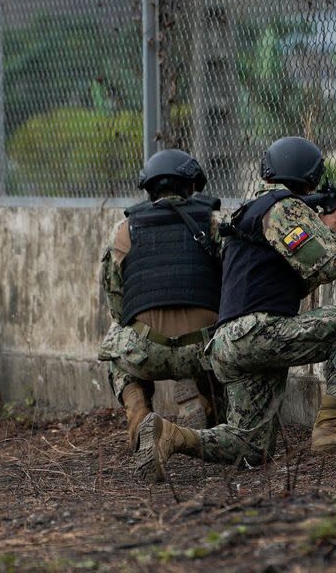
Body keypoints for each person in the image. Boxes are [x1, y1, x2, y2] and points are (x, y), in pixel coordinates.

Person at [134, 137, 336, 482]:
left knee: (250, 447)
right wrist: (329, 232)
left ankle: (172, 436)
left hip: (228, 344)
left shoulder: (250, 211)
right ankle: (330, 426)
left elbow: (295, 279)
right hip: (259, 332)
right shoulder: (285, 209)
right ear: (309, 175)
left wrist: (330, 231)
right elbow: (327, 265)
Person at [98, 149, 225, 452]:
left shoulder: (123, 230)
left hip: (146, 350)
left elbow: (117, 306)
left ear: (149, 188)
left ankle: (140, 416)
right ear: (191, 186)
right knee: (222, 329)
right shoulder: (214, 222)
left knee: (115, 339)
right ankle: (206, 407)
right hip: (202, 349)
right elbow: (232, 286)